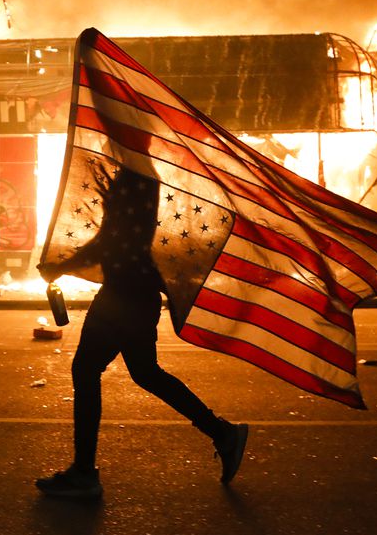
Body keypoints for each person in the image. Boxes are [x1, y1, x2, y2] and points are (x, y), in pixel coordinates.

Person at [35, 166, 248, 500]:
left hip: (125, 295)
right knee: (145, 373)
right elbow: (112, 237)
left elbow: (111, 240)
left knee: (87, 370)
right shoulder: (137, 173)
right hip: (136, 293)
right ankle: (222, 433)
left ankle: (84, 474)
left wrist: (61, 267)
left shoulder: (135, 176)